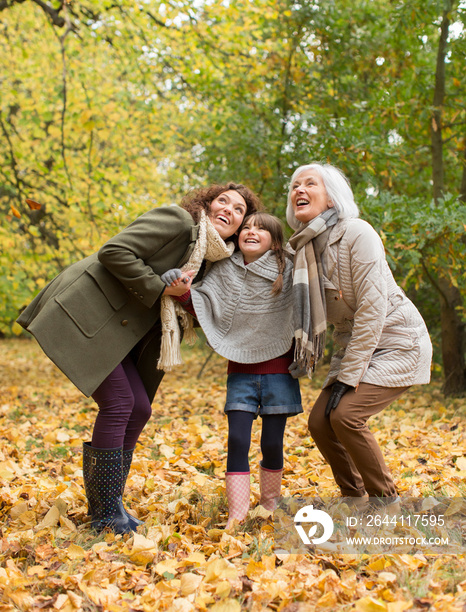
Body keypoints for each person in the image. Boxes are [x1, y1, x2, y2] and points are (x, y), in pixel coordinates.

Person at [17, 183, 261, 534]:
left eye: (239, 210)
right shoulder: (178, 221)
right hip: (87, 311)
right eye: (223, 201)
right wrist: (161, 287)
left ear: (241, 225)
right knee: (119, 403)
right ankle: (104, 515)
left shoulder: (209, 260)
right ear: (206, 206)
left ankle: (110, 503)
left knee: (140, 408)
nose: (230, 210)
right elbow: (114, 251)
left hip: (118, 331)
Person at [286, 163, 432, 512]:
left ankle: (386, 501)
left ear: (332, 197)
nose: (299, 190)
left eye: (310, 183)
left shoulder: (357, 233)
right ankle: (354, 497)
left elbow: (372, 310)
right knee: (319, 422)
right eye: (294, 186)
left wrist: (347, 377)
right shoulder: (303, 249)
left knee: (345, 416)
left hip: (397, 341)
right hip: (354, 345)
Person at [162, 213, 302, 528]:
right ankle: (237, 514)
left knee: (271, 443)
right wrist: (182, 291)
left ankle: (268, 505)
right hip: (240, 370)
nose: (251, 231)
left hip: (280, 369)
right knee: (237, 439)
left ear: (275, 240)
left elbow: (308, 305)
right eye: (247, 227)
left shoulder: (289, 269)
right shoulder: (224, 268)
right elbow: (203, 302)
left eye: (261, 229)